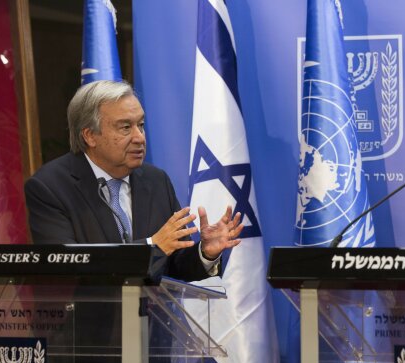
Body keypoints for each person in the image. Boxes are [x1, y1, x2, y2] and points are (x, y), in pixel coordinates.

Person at [25, 79, 244, 280]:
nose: (139, 137)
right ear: (90, 135)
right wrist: (151, 246)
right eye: (125, 127)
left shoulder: (156, 181)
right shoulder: (50, 187)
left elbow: (173, 265)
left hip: (149, 320)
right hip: (86, 321)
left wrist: (204, 252)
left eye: (140, 125)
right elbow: (66, 269)